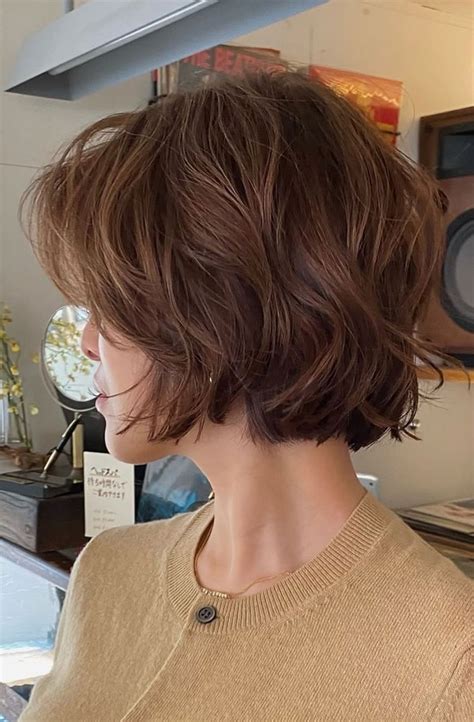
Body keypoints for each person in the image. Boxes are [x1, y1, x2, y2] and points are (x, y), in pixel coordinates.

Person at [19, 71, 472, 721]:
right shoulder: (108, 572)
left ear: (219, 315)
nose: (89, 342)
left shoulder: (448, 662)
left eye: (111, 307)